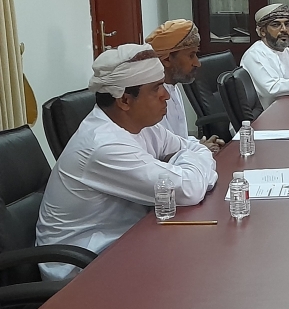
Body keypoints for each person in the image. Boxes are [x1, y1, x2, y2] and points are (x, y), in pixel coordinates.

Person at [35, 44, 218, 280]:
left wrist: (190, 165)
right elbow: (190, 189)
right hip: (81, 268)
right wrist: (192, 166)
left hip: (125, 241)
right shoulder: (103, 145)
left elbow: (191, 147)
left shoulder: (141, 126)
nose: (166, 95)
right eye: (156, 88)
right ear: (124, 100)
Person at [145, 19, 223, 153]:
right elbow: (163, 152)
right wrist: (199, 150)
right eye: (191, 55)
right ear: (167, 59)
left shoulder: (173, 87)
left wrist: (200, 144)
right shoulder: (151, 97)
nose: (197, 63)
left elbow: (178, 138)